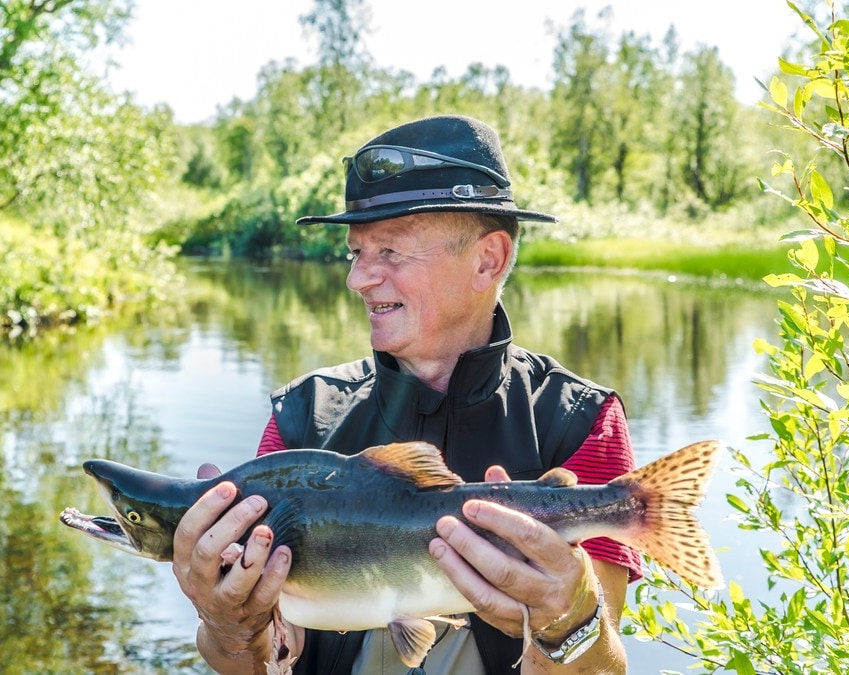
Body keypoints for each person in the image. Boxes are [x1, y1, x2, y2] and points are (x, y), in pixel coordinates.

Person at [171, 115, 641, 675]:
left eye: (389, 252)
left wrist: (569, 620)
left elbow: (603, 668)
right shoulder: (303, 419)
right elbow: (262, 664)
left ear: (488, 259)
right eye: (355, 253)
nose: (358, 279)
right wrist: (230, 627)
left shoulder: (579, 421)